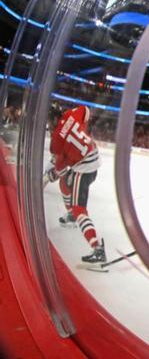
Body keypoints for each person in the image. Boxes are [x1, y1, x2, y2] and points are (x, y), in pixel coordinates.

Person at [44, 105, 104, 264]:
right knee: (64, 183)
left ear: (55, 119)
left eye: (50, 122)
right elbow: (87, 111)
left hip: (84, 168)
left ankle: (97, 249)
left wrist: (47, 177)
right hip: (93, 156)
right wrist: (83, 129)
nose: (49, 125)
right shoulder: (72, 113)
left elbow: (60, 170)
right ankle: (71, 213)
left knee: (79, 210)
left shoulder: (56, 140)